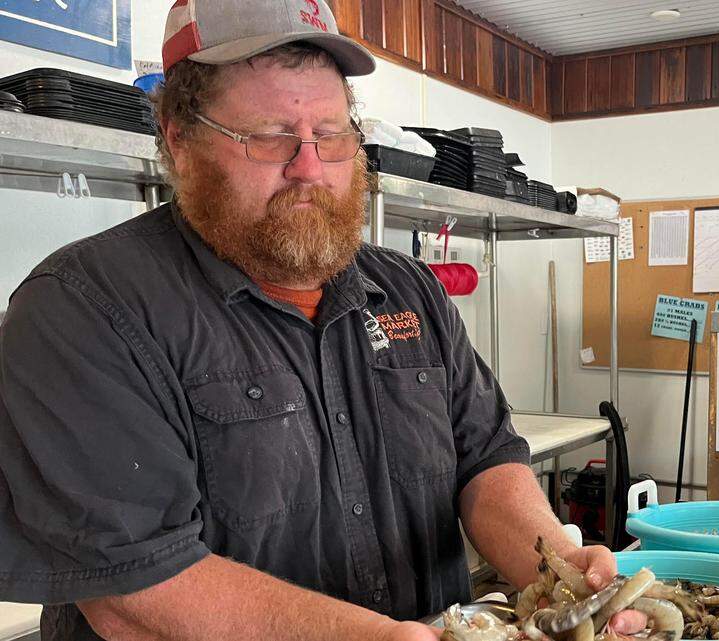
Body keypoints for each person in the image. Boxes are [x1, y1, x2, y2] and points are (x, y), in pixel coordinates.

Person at [0, 0, 644, 639]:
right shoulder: (82, 311)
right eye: (268, 136)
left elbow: (486, 460)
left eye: (331, 136)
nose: (309, 168)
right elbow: (134, 591)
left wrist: (557, 567)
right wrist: (377, 636)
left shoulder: (409, 291)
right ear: (180, 137)